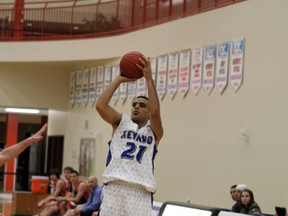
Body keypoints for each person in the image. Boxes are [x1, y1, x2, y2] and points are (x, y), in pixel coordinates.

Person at [95, 55, 164, 216]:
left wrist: (148, 78)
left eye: (141, 105)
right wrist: (119, 79)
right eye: (134, 104)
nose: (136, 107)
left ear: (148, 114)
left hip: (140, 191)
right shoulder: (120, 122)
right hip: (114, 186)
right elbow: (100, 105)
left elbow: (155, 111)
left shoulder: (154, 132)